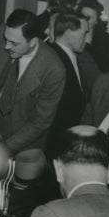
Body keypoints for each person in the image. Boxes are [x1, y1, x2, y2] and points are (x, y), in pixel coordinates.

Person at [0, 9, 66, 175]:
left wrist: (2, 148)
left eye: (14, 43)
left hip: (25, 148)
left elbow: (40, 122)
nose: (6, 46)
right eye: (6, 39)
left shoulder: (54, 69)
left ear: (33, 41)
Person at [46, 10, 91, 158]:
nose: (88, 38)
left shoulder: (69, 55)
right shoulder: (54, 60)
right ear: (68, 32)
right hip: (54, 145)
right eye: (84, 33)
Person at [79, 0, 109, 73]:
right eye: (81, 16)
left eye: (88, 18)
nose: (83, 20)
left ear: (97, 21)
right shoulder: (72, 34)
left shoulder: (105, 39)